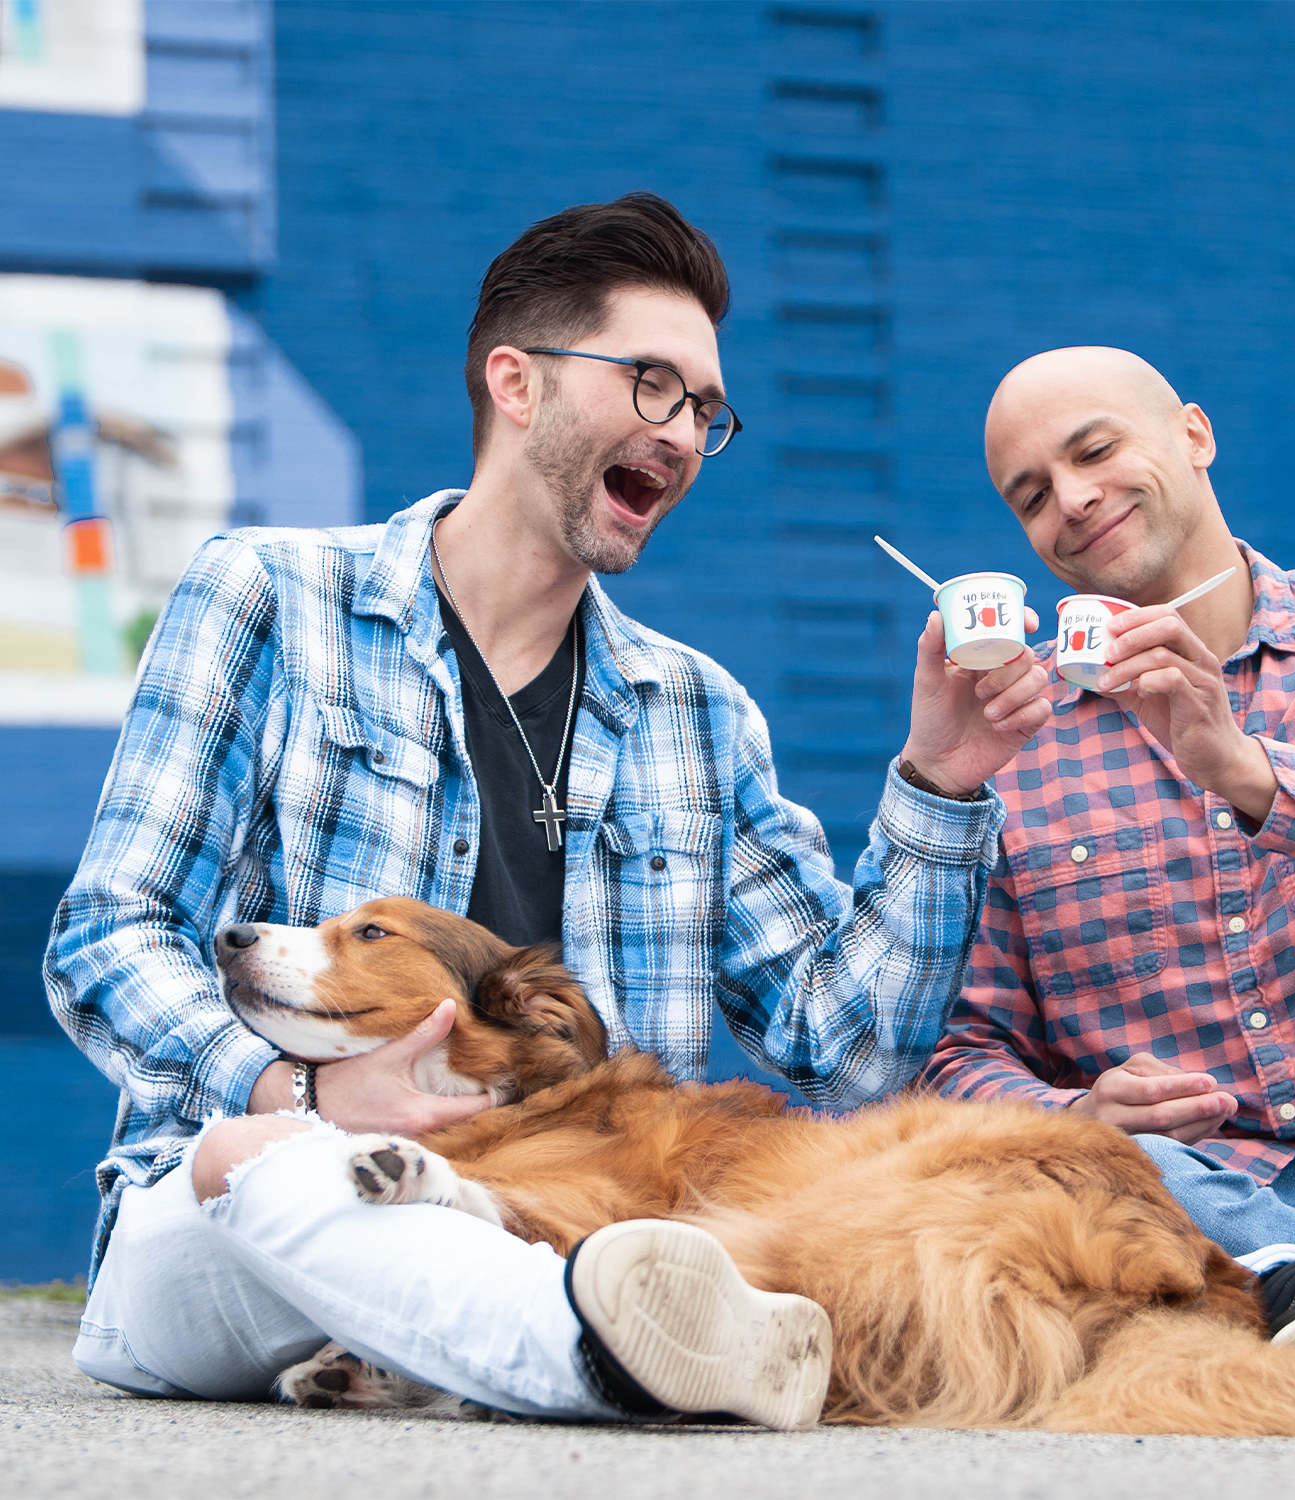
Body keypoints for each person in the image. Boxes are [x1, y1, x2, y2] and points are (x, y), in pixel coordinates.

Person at [44, 194, 1058, 1424]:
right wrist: (297, 1099)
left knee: (622, 1225)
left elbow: (848, 1051)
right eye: (651, 384)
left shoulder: (695, 712)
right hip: (242, 1209)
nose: (683, 435)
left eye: (704, 410)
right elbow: (111, 936)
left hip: (574, 1213)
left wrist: (943, 782)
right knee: (320, 1186)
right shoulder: (270, 598)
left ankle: (615, 1327)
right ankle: (618, 1351)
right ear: (515, 383)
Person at [924, 345, 1295, 1390]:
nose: (1073, 499)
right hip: (1193, 1196)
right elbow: (962, 1047)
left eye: (1094, 450)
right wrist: (1074, 1118)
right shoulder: (1011, 734)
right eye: (1032, 495)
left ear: (1195, 434)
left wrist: (1250, 772)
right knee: (1104, 1186)